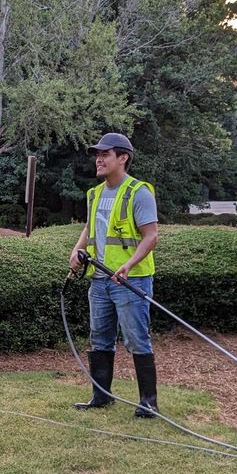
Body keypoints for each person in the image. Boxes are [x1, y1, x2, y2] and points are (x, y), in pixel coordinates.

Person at [68, 132, 160, 418]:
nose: (99, 159)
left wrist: (129, 265)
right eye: (98, 154)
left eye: (105, 154)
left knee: (136, 339)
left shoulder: (139, 192)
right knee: (100, 338)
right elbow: (89, 227)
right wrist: (76, 250)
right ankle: (101, 396)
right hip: (99, 280)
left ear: (123, 158)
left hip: (130, 282)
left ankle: (148, 403)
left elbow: (151, 236)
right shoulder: (94, 194)